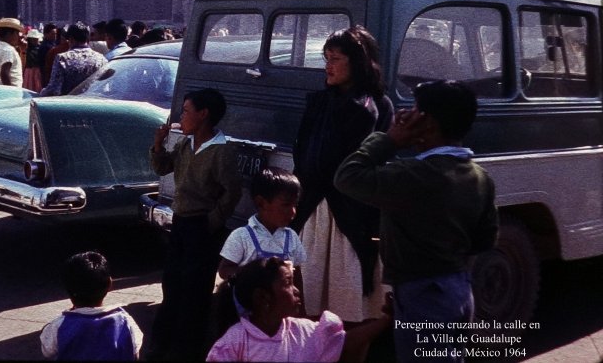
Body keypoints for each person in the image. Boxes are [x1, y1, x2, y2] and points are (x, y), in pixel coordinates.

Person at [335, 80, 498, 363]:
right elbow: (485, 240)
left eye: (414, 111)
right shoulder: (480, 177)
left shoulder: (413, 175)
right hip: (457, 289)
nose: (406, 116)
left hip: (422, 293)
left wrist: (390, 139)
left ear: (428, 123)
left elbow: (347, 176)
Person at [290, 25, 394, 323]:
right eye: (326, 58)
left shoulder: (377, 106)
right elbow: (304, 149)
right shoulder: (319, 102)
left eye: (335, 58)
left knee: (347, 296)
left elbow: (378, 158)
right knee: (309, 291)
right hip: (315, 209)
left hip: (351, 211)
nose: (328, 65)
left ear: (357, 61)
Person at [148, 88, 243, 361]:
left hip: (201, 227)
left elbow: (231, 192)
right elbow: (161, 167)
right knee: (172, 285)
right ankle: (162, 345)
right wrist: (158, 144)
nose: (182, 117)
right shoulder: (185, 144)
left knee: (195, 291)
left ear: (204, 115)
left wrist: (211, 222)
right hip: (181, 223)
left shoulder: (220, 151)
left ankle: (188, 349)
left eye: (187, 111)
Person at [207, 257, 391, 363]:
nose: (296, 290)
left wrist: (386, 319)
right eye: (288, 283)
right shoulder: (235, 342)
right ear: (262, 298)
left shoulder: (305, 330)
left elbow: (345, 343)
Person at [40, 251, 143, 361]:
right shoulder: (125, 321)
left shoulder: (58, 325)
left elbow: (47, 353)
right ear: (110, 284)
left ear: (67, 288)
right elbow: (135, 354)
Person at [218, 167, 306, 281]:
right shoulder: (241, 236)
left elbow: (297, 274)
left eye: (295, 205)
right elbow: (224, 270)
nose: (293, 211)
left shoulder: (292, 237)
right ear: (261, 203)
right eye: (286, 205)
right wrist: (254, 274)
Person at [40, 21, 107, 97]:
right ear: (88, 40)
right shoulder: (101, 58)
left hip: (69, 106)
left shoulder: (63, 58)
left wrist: (42, 92)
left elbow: (54, 90)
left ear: (71, 39)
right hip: (93, 105)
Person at [0, 18, 24, 88]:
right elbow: (4, 73)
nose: (18, 37)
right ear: (9, 34)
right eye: (17, 34)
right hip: (12, 91)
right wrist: (10, 91)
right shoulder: (8, 50)